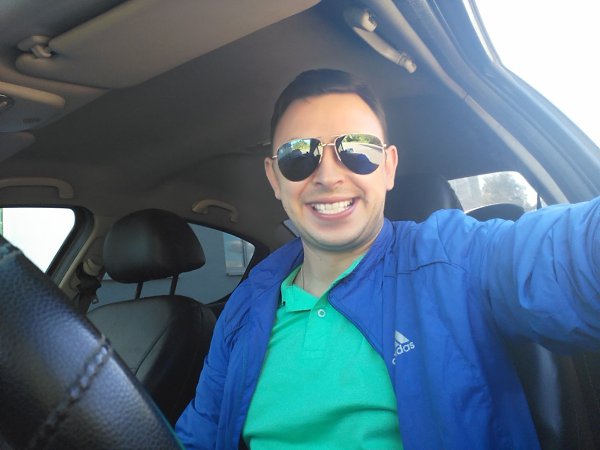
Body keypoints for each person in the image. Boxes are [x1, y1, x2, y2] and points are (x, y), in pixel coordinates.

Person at [175, 69, 600, 449]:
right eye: (299, 155)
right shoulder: (246, 305)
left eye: (358, 150)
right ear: (274, 177)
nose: (328, 176)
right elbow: (198, 435)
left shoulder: (451, 258)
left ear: (388, 167)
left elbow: (568, 254)